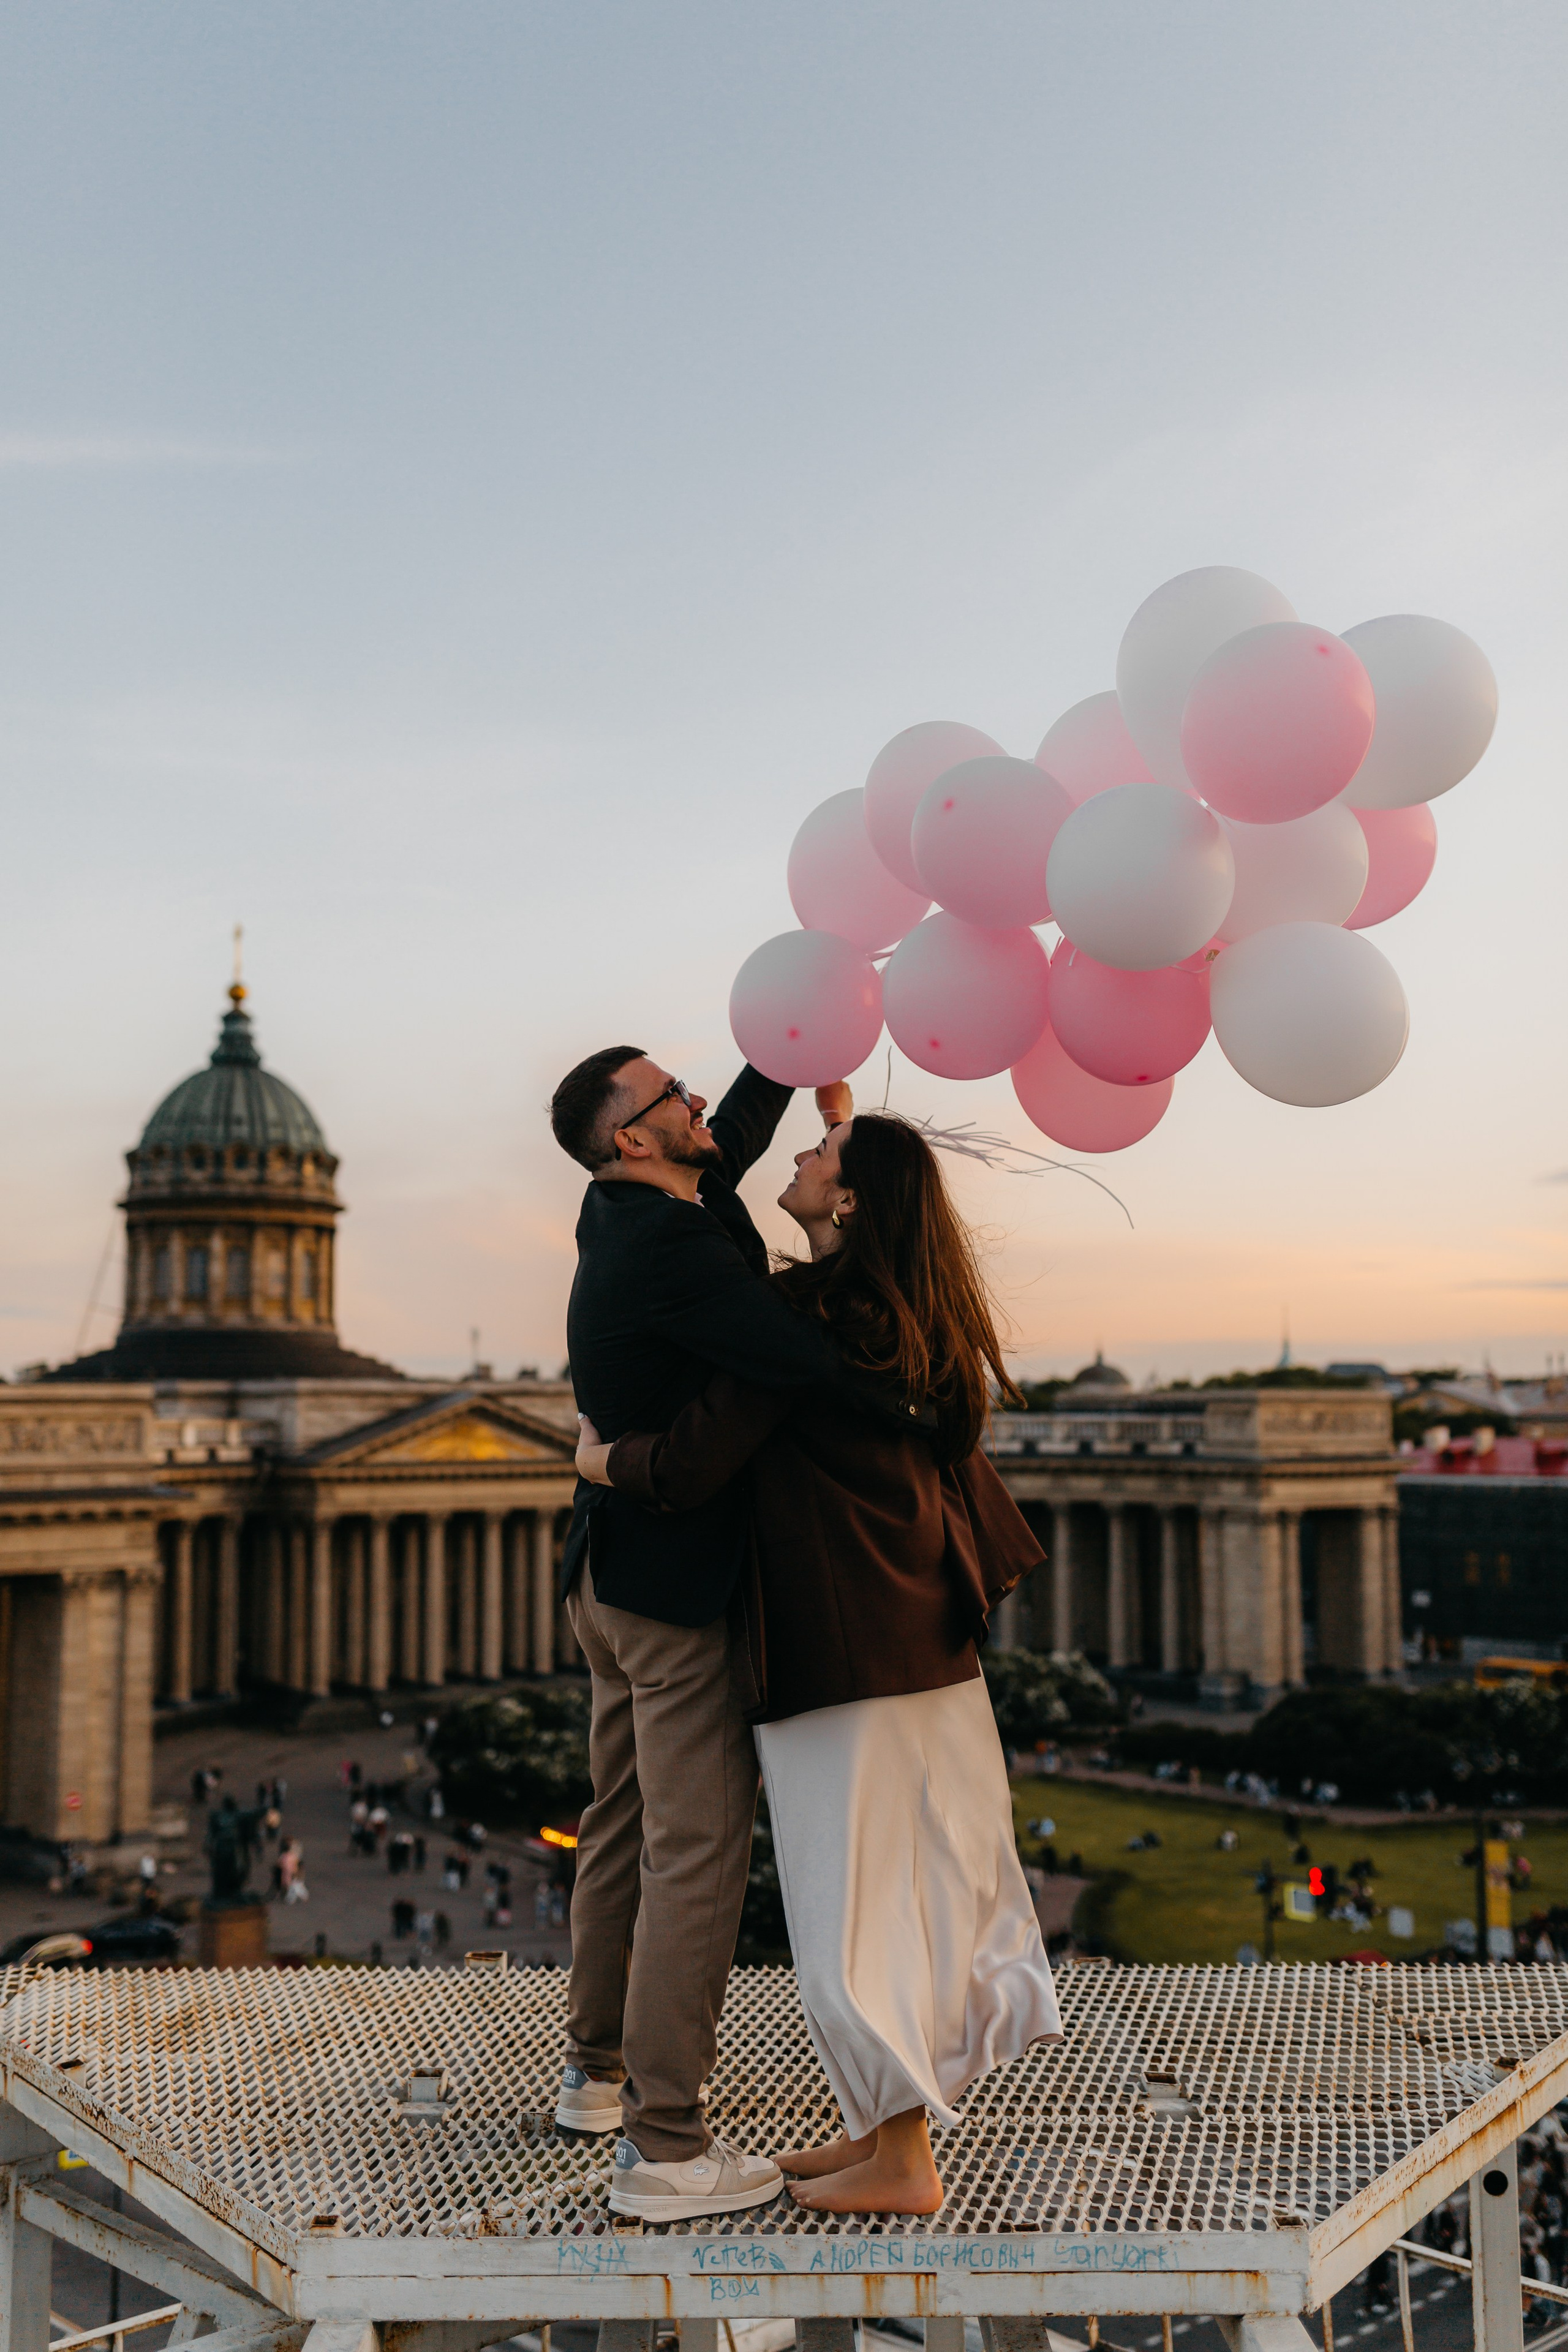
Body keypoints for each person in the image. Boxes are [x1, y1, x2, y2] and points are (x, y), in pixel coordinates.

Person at [576, 1111, 1060, 2215]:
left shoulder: (807, 1320)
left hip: (838, 1645)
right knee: (917, 1883)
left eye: (819, 1156)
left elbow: (701, 1458)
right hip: (919, 1635)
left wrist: (607, 1461)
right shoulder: (904, 1311)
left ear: (848, 1203)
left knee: (857, 1907)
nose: (793, 1157)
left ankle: (903, 2162)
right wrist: (850, 1124)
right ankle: (881, 2134)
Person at [548, 1045, 911, 2223]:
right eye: (674, 1095)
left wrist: (793, 1044)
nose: (700, 1100)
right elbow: (800, 1363)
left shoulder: (629, 1210)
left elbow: (733, 1140)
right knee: (695, 1855)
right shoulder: (681, 1248)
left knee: (621, 1824)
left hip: (607, 1575)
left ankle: (594, 2074)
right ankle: (665, 2149)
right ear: (636, 1141)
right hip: (672, 1588)